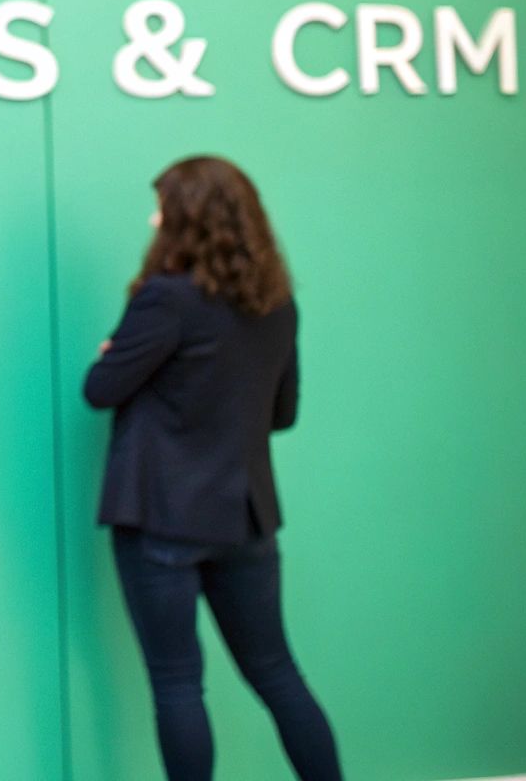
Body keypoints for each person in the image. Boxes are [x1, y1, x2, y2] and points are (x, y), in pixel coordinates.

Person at [84, 156, 342, 781]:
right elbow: (281, 413)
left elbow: (100, 389)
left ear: (190, 222)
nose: (154, 219)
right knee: (277, 673)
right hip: (245, 519)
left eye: (164, 209)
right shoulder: (277, 305)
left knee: (177, 684)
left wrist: (118, 358)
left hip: (161, 519)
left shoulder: (166, 301)